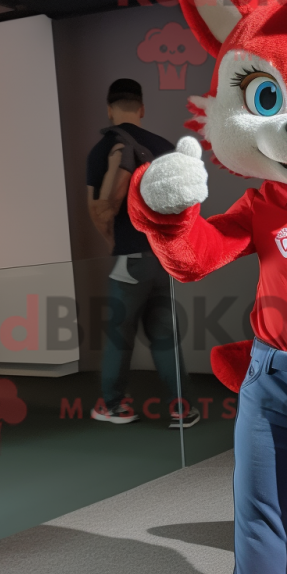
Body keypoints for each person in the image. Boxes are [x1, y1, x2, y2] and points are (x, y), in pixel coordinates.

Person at [86, 79, 199, 427]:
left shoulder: (102, 149)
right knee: (164, 336)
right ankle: (182, 409)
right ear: (142, 108)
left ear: (109, 110)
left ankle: (113, 405)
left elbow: (97, 210)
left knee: (118, 336)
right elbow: (182, 205)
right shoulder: (164, 147)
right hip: (161, 258)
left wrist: (116, 245)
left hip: (130, 260)